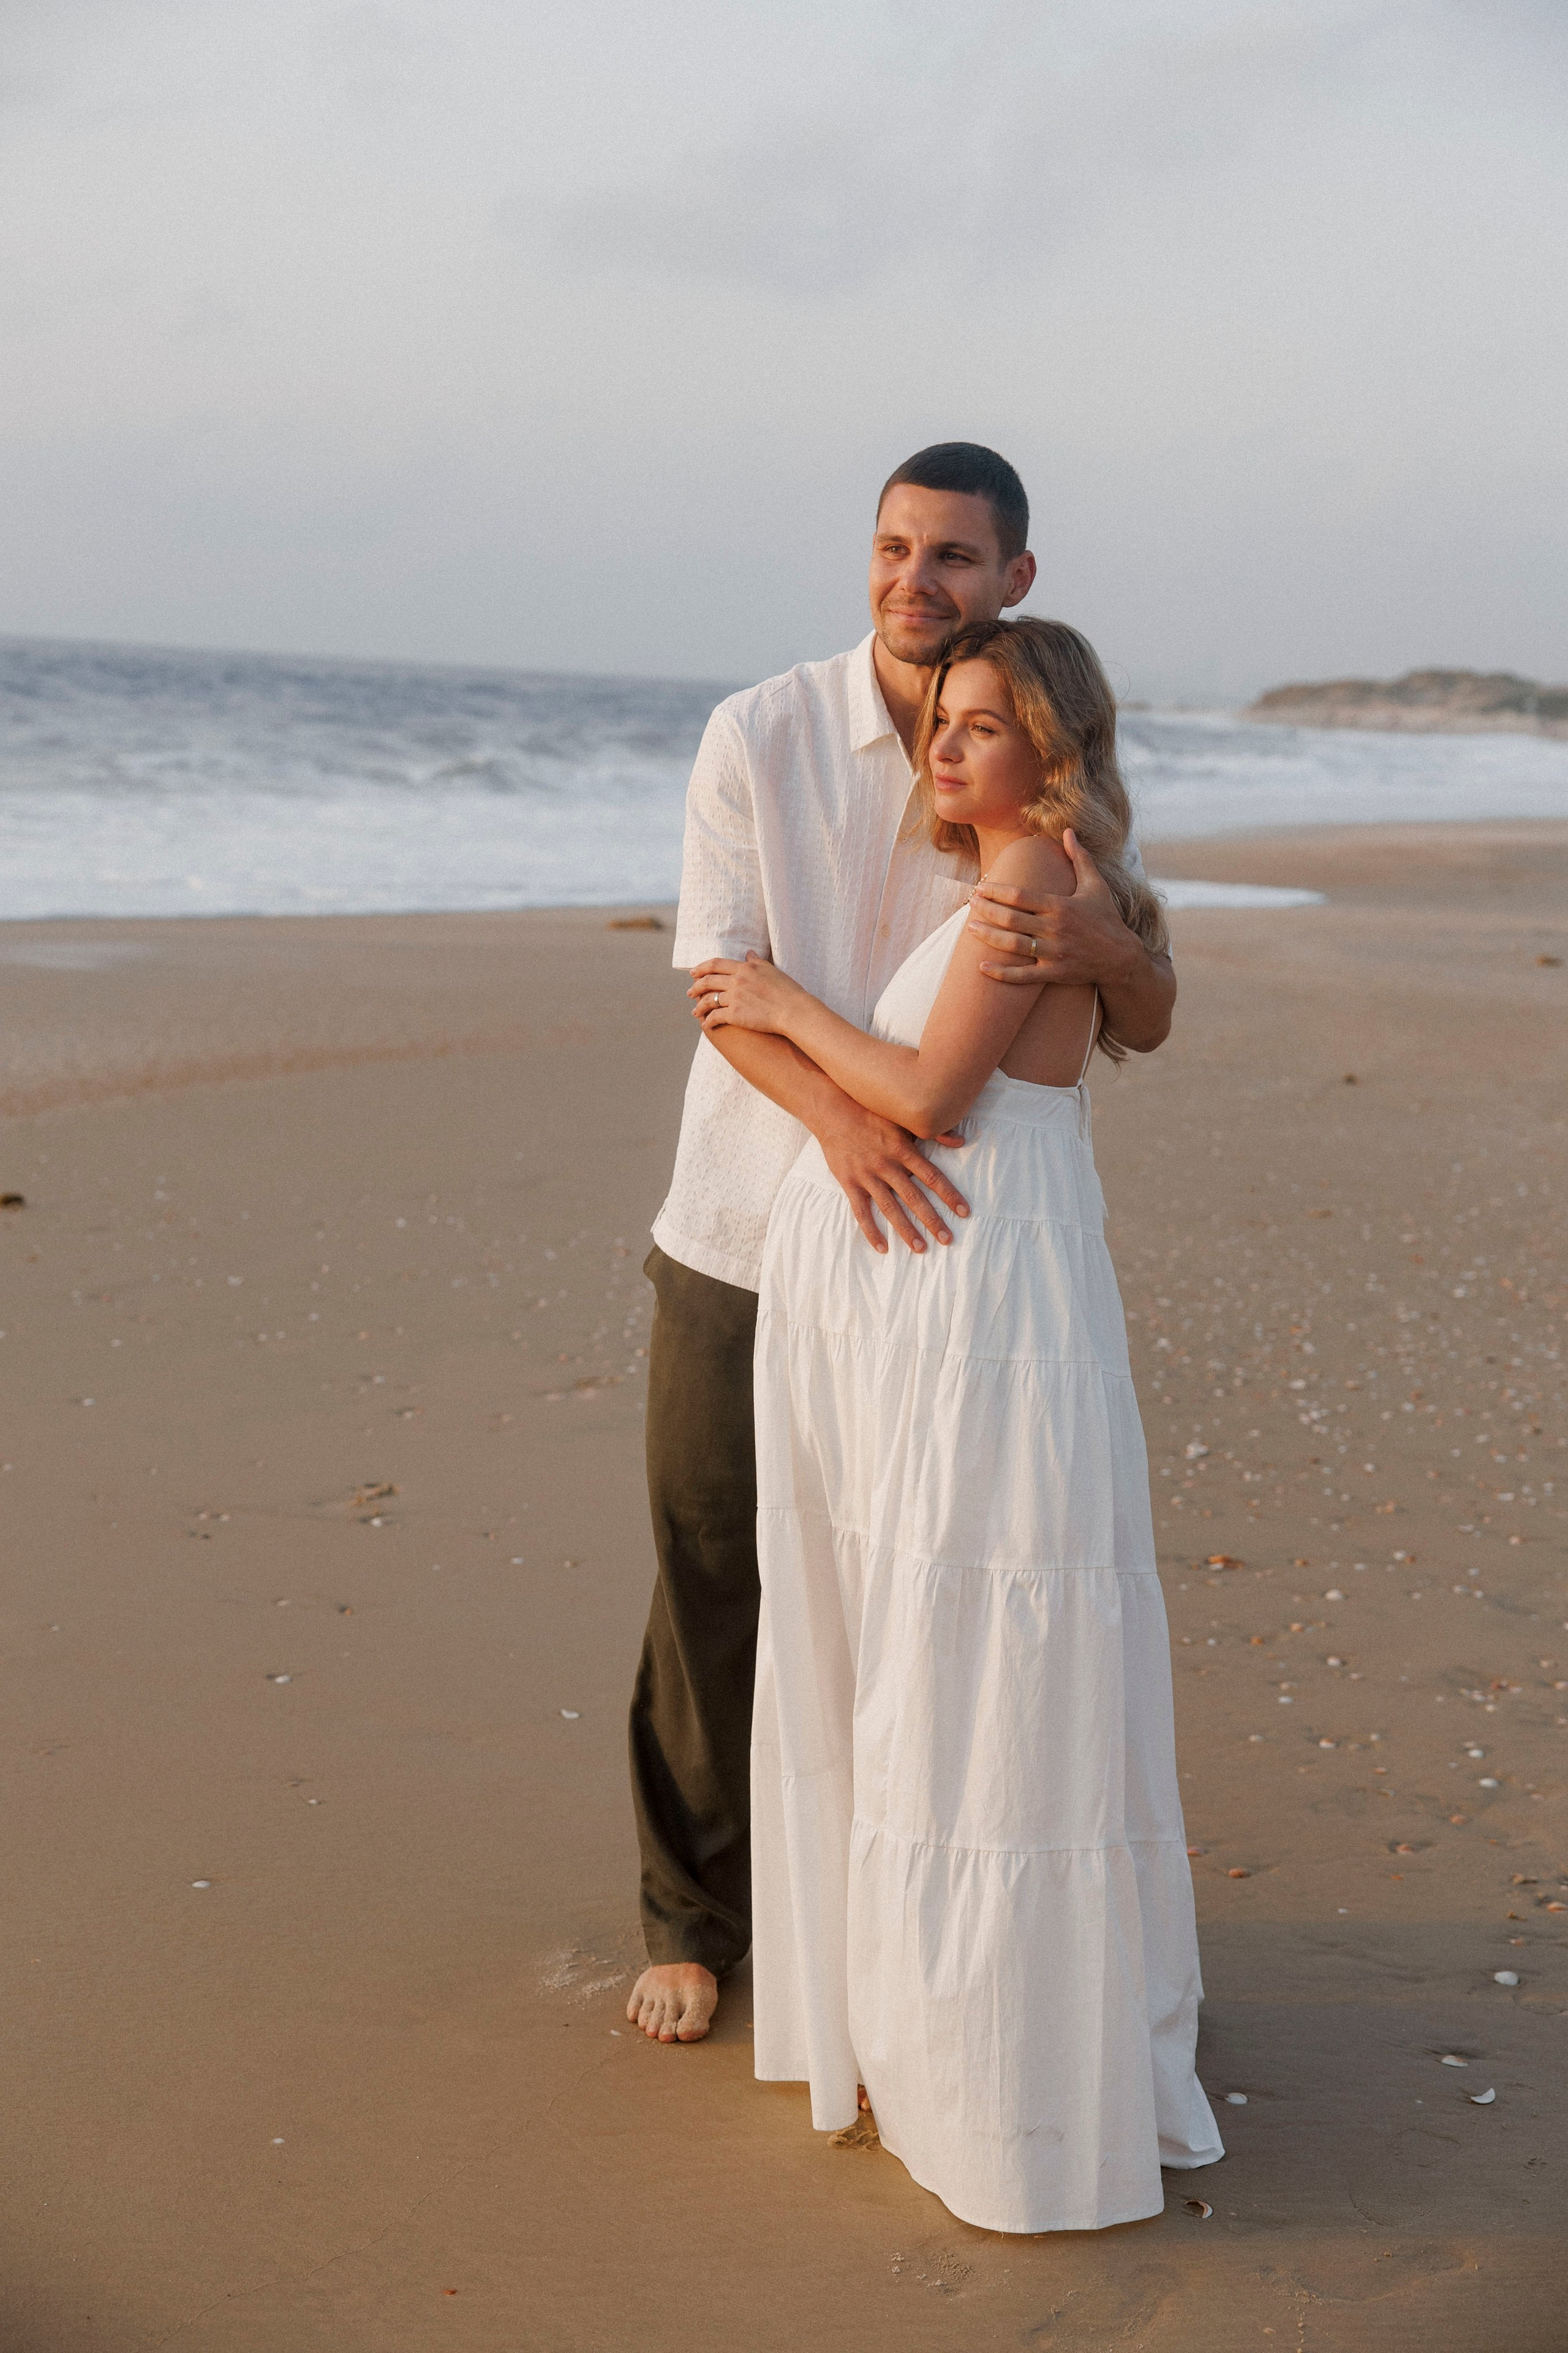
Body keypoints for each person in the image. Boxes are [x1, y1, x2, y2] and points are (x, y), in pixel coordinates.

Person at [626, 444, 1177, 2047]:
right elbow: (723, 984)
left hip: (930, 1262)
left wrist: (1106, 946)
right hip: (748, 1216)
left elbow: (1144, 1004)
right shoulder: (763, 734)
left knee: (880, 1582)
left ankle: (870, 1924)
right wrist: (845, 1127)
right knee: (713, 1557)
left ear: (1015, 575)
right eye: (892, 547)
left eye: (951, 555)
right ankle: (690, 1918)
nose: (912, 580)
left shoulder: (1024, 745)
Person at [693, 616, 1223, 2231]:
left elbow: (931, 1100)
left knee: (969, 1648)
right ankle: (968, 2032)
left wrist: (776, 1000)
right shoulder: (1042, 875)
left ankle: (989, 2067)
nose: (944, 744)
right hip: (972, 1292)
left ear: (1050, 747)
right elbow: (1135, 1021)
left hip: (981, 1300)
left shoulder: (1030, 877)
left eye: (983, 725)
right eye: (943, 720)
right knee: (961, 1644)